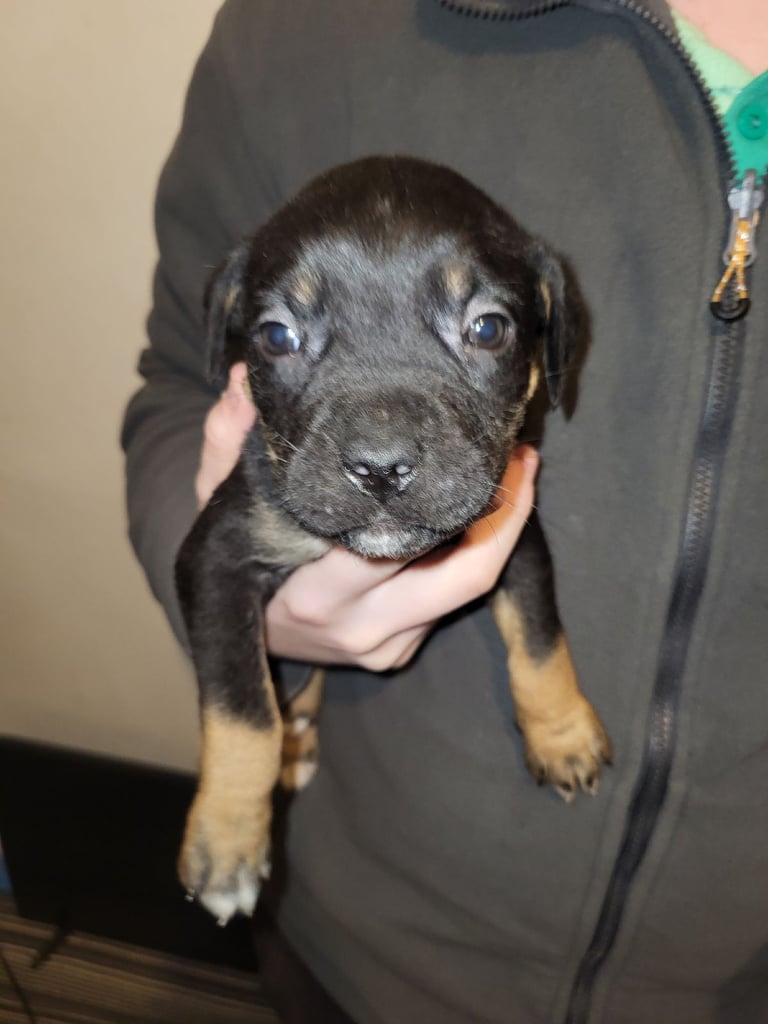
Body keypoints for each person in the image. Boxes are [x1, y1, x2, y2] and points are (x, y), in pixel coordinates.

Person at [122, 1, 768, 1021]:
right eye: (286, 337)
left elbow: (520, 556)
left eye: (482, 326)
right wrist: (251, 740)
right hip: (365, 948)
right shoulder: (297, 30)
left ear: (550, 335)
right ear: (238, 342)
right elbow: (181, 439)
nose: (383, 446)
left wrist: (548, 698)